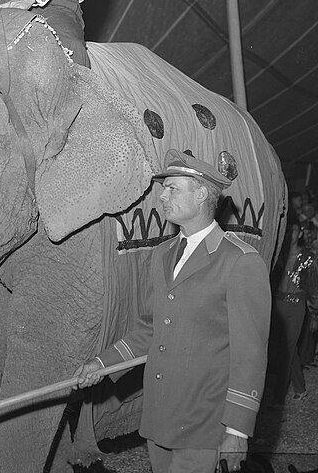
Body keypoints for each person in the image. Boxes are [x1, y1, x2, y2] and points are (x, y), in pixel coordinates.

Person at [74, 149, 271, 473]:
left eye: (173, 188)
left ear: (203, 193)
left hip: (205, 423)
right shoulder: (162, 254)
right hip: (160, 417)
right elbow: (152, 328)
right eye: (163, 188)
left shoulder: (240, 261)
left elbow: (250, 355)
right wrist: (102, 364)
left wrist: (237, 431)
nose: (162, 196)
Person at [267, 216, 318, 404]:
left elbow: (313, 288)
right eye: (288, 231)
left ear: (301, 233)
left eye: (294, 230)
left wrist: (314, 315)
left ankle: (277, 398)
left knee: (286, 349)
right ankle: (301, 388)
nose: (291, 234)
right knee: (289, 347)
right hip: (279, 303)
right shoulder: (278, 253)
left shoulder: (308, 258)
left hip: (297, 305)